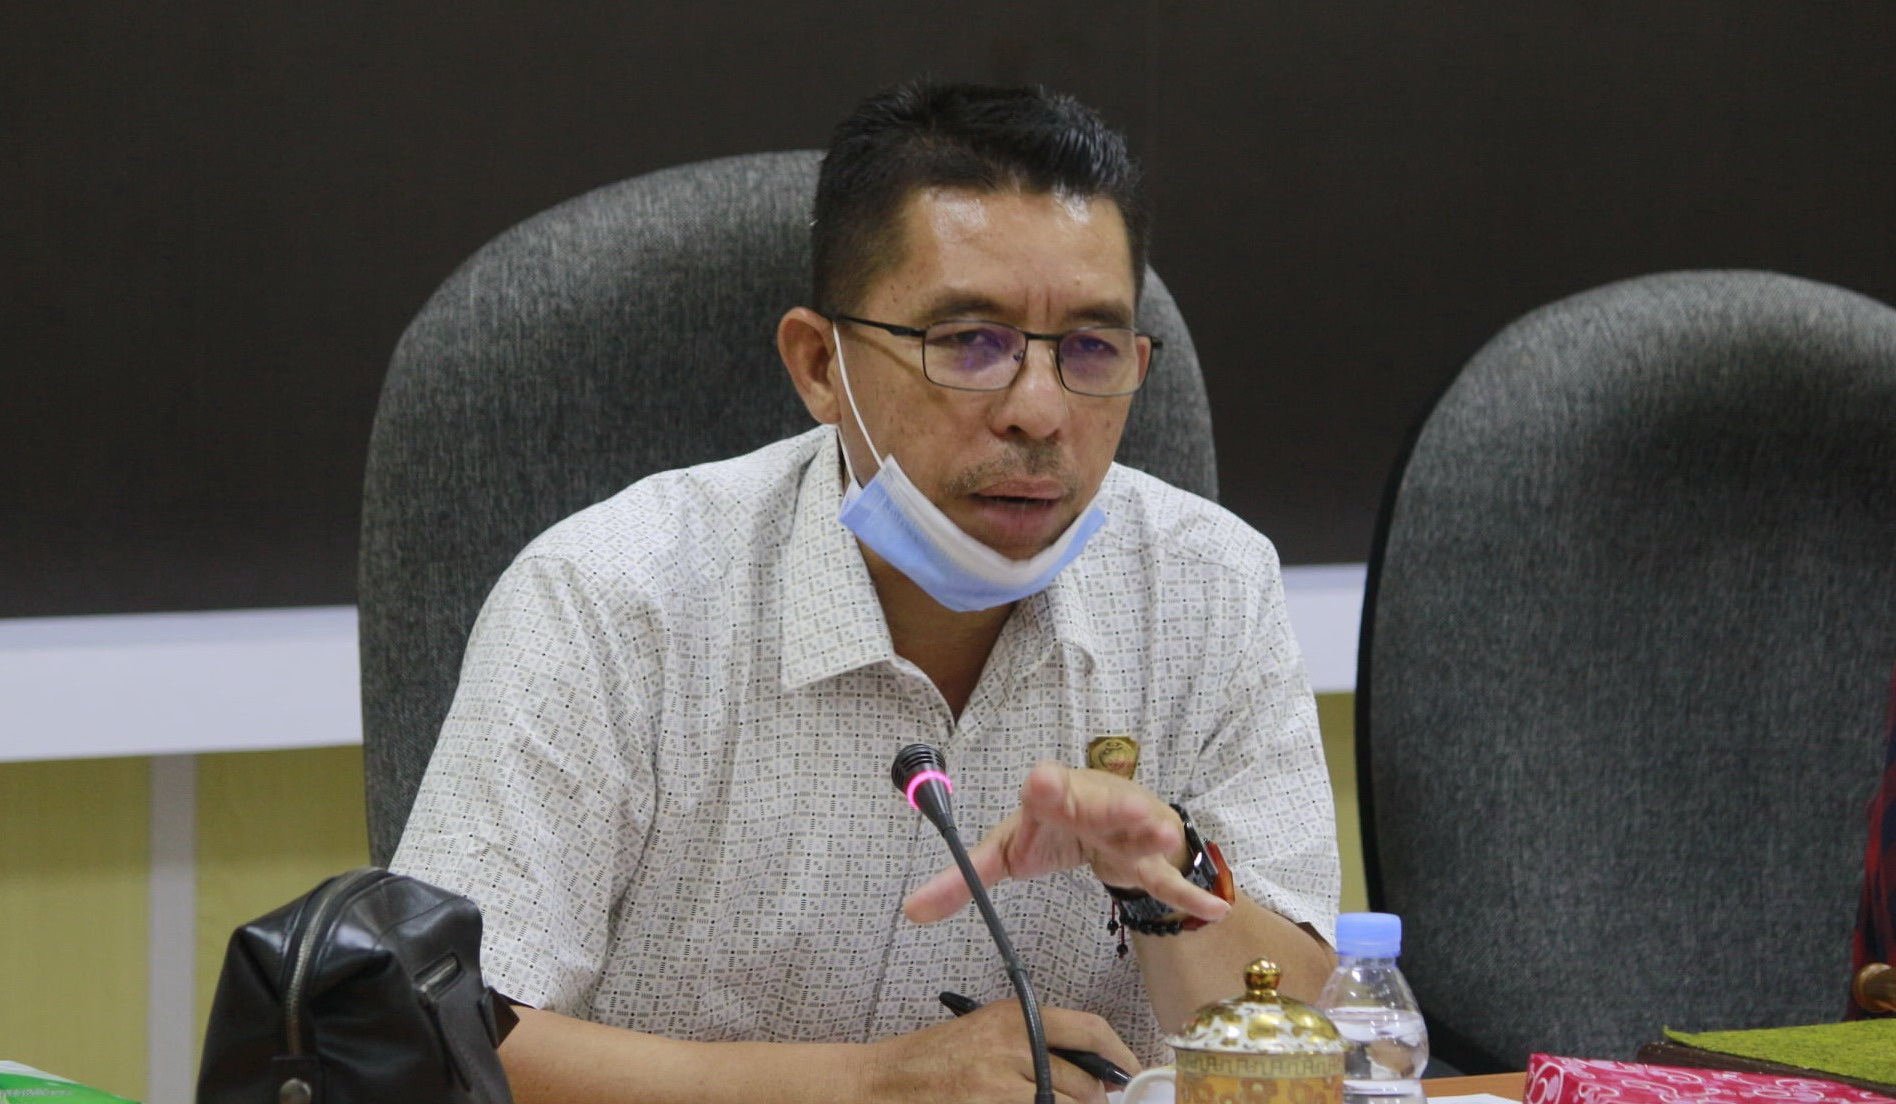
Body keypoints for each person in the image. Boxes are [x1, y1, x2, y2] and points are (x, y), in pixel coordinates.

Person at [393, 80, 1339, 1104]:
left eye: (1091, 349)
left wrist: (1168, 879)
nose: (1038, 410)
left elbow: (1301, 1033)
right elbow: (432, 1041)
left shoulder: (1211, 588)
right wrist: (863, 1085)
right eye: (969, 342)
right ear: (819, 365)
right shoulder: (611, 600)